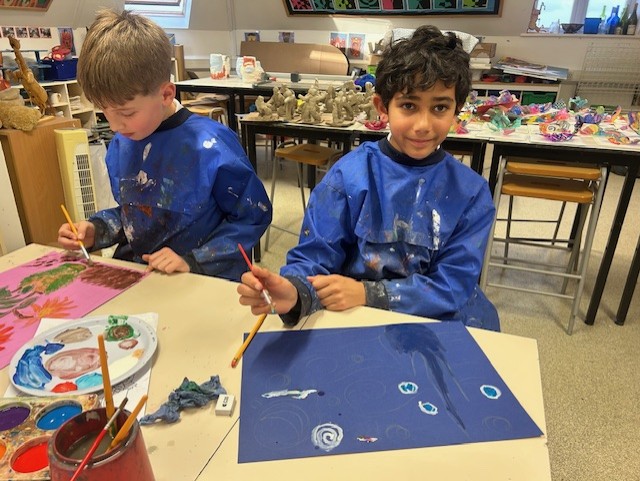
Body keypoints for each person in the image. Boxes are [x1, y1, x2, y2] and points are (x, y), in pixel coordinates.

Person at [238, 25, 500, 331]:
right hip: (358, 320)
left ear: (457, 110)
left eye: (440, 107)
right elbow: (314, 259)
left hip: (439, 323)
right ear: (382, 108)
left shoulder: (471, 194)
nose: (423, 125)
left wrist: (370, 293)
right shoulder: (348, 177)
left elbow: (453, 285)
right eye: (409, 106)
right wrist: (295, 293)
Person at [57, 9, 271, 281]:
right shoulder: (123, 142)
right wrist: (97, 230)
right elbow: (134, 214)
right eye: (104, 112)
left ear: (166, 94)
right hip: (143, 276)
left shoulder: (211, 146)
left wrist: (193, 260)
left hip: (199, 280)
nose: (114, 126)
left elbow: (251, 217)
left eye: (126, 113)